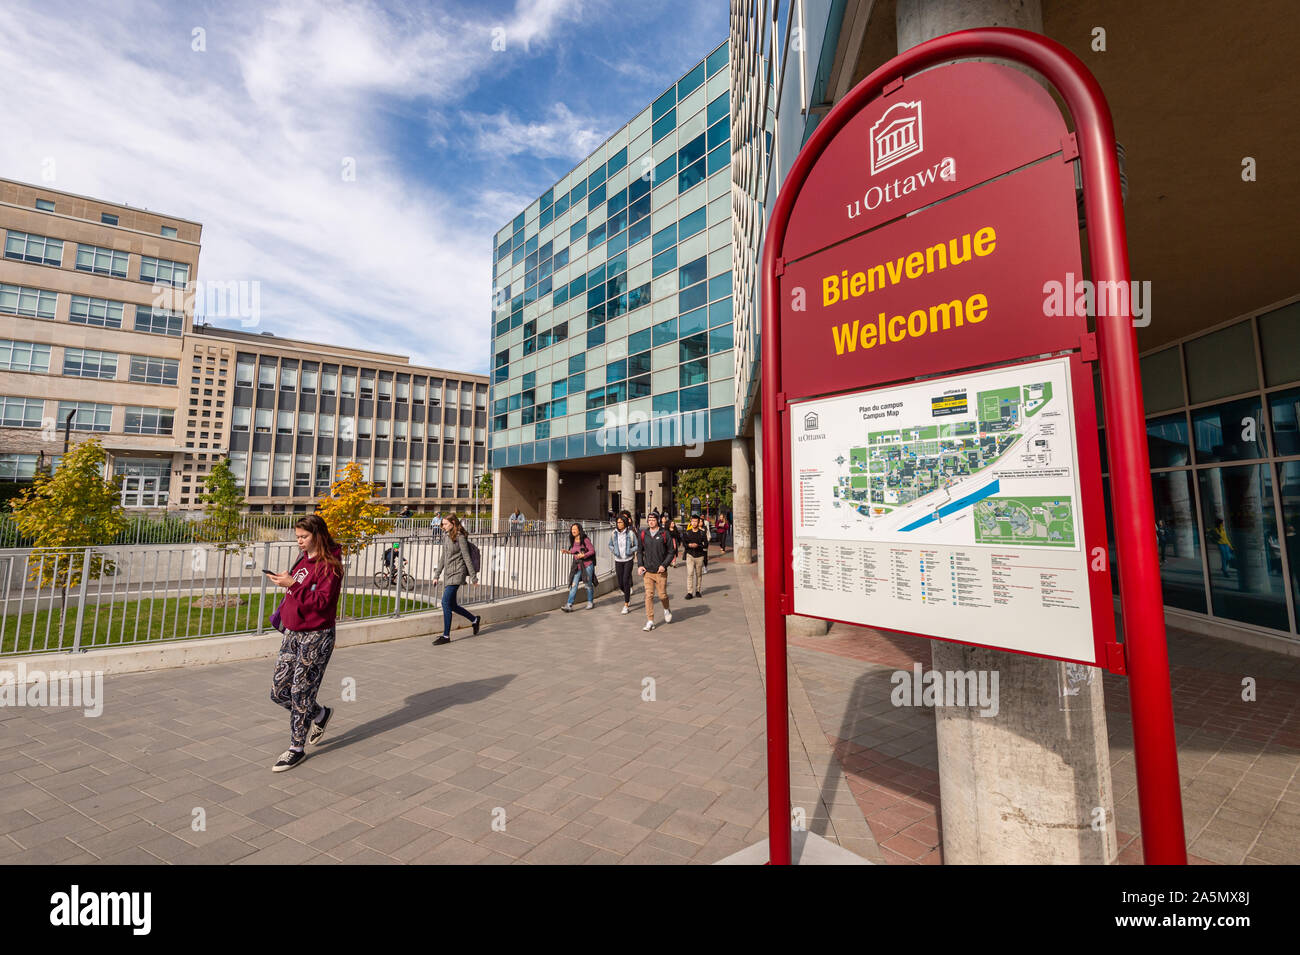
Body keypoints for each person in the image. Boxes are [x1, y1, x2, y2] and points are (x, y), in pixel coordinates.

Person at [266, 515, 343, 772]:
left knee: (301, 693)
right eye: (297, 536)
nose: (299, 541)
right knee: (279, 692)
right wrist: (288, 580)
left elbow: (321, 601)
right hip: (293, 633)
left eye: (303, 537)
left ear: (317, 535)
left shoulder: (330, 565)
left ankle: (296, 748)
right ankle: (320, 714)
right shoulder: (302, 558)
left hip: (317, 635)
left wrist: (294, 586)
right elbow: (300, 588)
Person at [432, 515, 481, 645]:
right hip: (448, 574)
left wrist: (473, 577)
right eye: (442, 524)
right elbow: (443, 557)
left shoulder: (460, 538)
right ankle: (474, 619)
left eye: (445, 524)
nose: (443, 526)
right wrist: (437, 575)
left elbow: (467, 558)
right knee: (452, 605)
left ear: (453, 523)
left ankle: (446, 636)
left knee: (445, 602)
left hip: (458, 573)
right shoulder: (446, 536)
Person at [637, 512, 677, 631]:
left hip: (660, 571)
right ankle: (650, 621)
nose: (651, 521)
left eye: (653, 519)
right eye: (649, 519)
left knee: (662, 595)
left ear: (658, 520)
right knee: (648, 595)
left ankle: (666, 609)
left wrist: (664, 565)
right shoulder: (644, 533)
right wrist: (640, 565)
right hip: (648, 571)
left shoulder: (664, 534)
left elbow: (671, 551)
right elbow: (639, 551)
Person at [608, 515, 639, 614]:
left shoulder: (630, 533)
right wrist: (614, 551)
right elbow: (610, 545)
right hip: (618, 560)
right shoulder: (614, 534)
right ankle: (627, 592)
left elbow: (637, 545)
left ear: (625, 523)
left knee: (626, 580)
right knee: (620, 582)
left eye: (620, 522)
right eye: (617, 522)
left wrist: (630, 550)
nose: (618, 524)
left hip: (628, 560)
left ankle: (626, 604)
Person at [563, 522, 597, 611]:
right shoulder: (573, 539)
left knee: (588, 584)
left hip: (587, 564)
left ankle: (590, 602)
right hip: (577, 566)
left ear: (579, 530)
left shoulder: (585, 539)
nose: (573, 531)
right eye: (572, 529)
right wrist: (568, 552)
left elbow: (592, 551)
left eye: (575, 529)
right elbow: (575, 551)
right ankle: (569, 605)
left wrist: (583, 555)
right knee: (574, 584)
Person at [682, 513, 708, 600]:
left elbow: (706, 544)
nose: (694, 523)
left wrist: (698, 545)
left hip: (699, 556)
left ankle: (698, 591)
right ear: (690, 522)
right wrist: (689, 545)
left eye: (696, 521)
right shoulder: (687, 532)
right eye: (692, 521)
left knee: (699, 574)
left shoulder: (702, 533)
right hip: (690, 555)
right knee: (690, 574)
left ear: (699, 522)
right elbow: (684, 544)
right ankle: (689, 592)